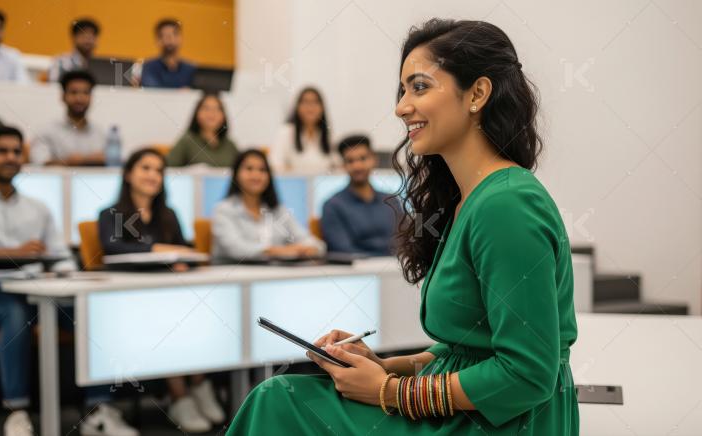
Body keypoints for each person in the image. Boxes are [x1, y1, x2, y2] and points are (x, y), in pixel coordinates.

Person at [227, 18, 578, 435]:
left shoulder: (506, 205)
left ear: (478, 94)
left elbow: (527, 373)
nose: (401, 107)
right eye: (403, 90)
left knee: (280, 401)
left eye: (420, 87)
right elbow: (467, 351)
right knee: (284, 398)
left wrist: (390, 391)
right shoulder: (472, 199)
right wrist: (380, 367)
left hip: (503, 423)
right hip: (475, 414)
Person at [0, 125, 137, 436]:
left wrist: (69, 276)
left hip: (35, 291)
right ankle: (16, 412)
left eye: (17, 151)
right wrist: (13, 253)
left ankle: (99, 412)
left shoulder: (38, 207)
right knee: (15, 311)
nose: (10, 157)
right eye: (1, 151)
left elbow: (60, 255)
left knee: (90, 312)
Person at [98, 148, 226, 433]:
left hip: (170, 294)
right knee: (171, 318)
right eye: (145, 168)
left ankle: (198, 383)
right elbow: (113, 248)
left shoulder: (168, 214)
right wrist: (159, 248)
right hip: (130, 300)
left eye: (158, 170)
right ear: (129, 174)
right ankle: (179, 395)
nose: (153, 175)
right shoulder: (110, 214)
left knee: (194, 313)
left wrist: (180, 261)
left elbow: (184, 250)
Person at [212, 149, 325, 261]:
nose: (256, 175)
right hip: (235, 275)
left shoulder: (278, 210)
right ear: (236, 174)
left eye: (262, 170)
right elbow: (236, 249)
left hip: (274, 274)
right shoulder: (224, 209)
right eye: (249, 169)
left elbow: (310, 241)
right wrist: (276, 251)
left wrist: (310, 248)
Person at [320, 135, 401, 256]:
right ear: (343, 165)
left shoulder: (391, 200)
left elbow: (404, 240)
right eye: (350, 161)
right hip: (359, 272)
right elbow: (343, 249)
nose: (357, 166)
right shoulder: (332, 206)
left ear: (374, 160)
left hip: (395, 269)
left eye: (363, 159)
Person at [30, 70, 107, 166]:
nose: (80, 98)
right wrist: (75, 162)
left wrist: (81, 160)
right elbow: (40, 164)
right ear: (62, 96)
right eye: (74, 92)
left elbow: (114, 164)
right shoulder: (46, 131)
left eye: (85, 93)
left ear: (91, 97)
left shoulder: (102, 134)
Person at [269, 87, 340, 172]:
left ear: (322, 108)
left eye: (315, 102)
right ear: (297, 107)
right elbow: (274, 165)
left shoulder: (329, 135)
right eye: (305, 102)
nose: (310, 107)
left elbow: (339, 166)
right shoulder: (286, 131)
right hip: (293, 183)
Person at [166, 93, 239, 167]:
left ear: (224, 116)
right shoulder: (186, 141)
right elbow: (169, 168)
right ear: (197, 114)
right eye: (206, 108)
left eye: (217, 109)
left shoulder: (230, 145)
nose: (212, 113)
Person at [139, 19, 196, 88]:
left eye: (175, 34)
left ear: (181, 38)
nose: (170, 39)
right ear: (158, 40)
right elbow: (152, 90)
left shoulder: (190, 69)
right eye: (164, 35)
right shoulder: (149, 67)